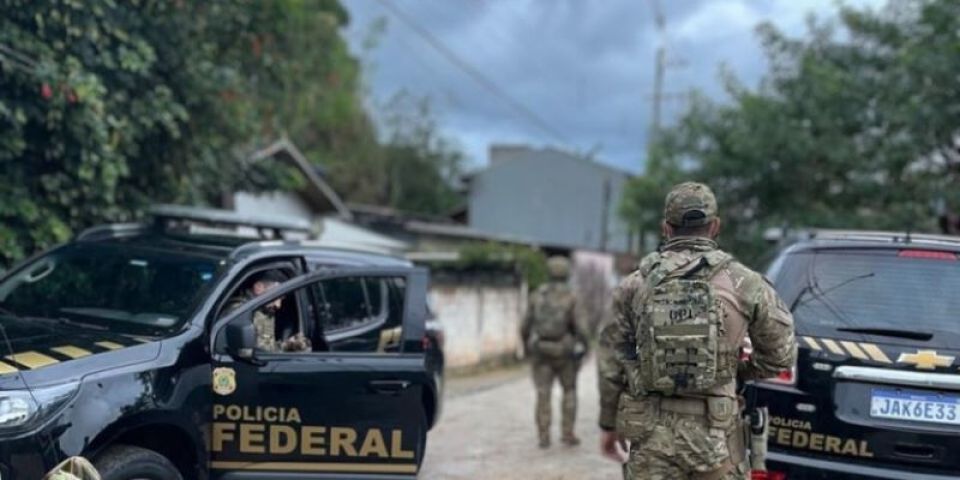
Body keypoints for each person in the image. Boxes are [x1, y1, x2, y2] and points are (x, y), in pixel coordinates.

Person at [597, 182, 796, 479]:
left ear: (666, 228)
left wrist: (608, 424)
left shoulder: (632, 286)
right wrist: (733, 369)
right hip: (716, 436)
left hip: (651, 437)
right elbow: (781, 356)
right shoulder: (746, 283)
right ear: (715, 226)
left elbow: (611, 362)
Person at [521, 256, 590, 449]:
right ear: (567, 273)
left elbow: (524, 326)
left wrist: (526, 345)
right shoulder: (572, 297)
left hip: (541, 351)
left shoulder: (536, 295)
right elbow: (581, 328)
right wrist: (586, 346)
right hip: (565, 353)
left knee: (543, 393)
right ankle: (567, 433)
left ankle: (543, 436)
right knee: (569, 391)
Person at [222, 270, 311, 353]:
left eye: (281, 299)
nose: (278, 305)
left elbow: (267, 350)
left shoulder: (266, 310)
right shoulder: (238, 313)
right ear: (258, 288)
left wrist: (287, 345)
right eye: (276, 297)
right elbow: (252, 353)